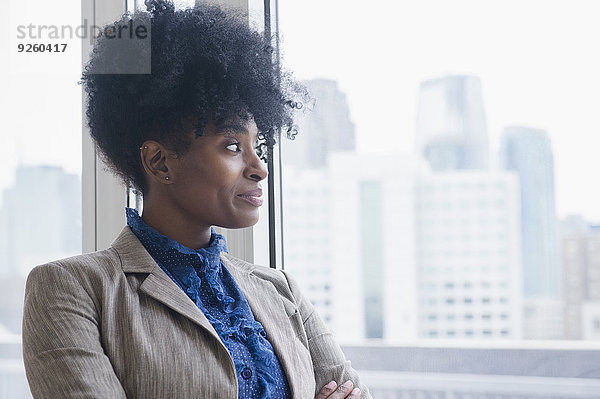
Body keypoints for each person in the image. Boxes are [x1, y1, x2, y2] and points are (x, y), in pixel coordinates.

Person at [22, 1, 372, 398]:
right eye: (232, 146)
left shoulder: (280, 290)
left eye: (257, 145)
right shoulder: (73, 289)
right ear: (159, 161)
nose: (260, 167)